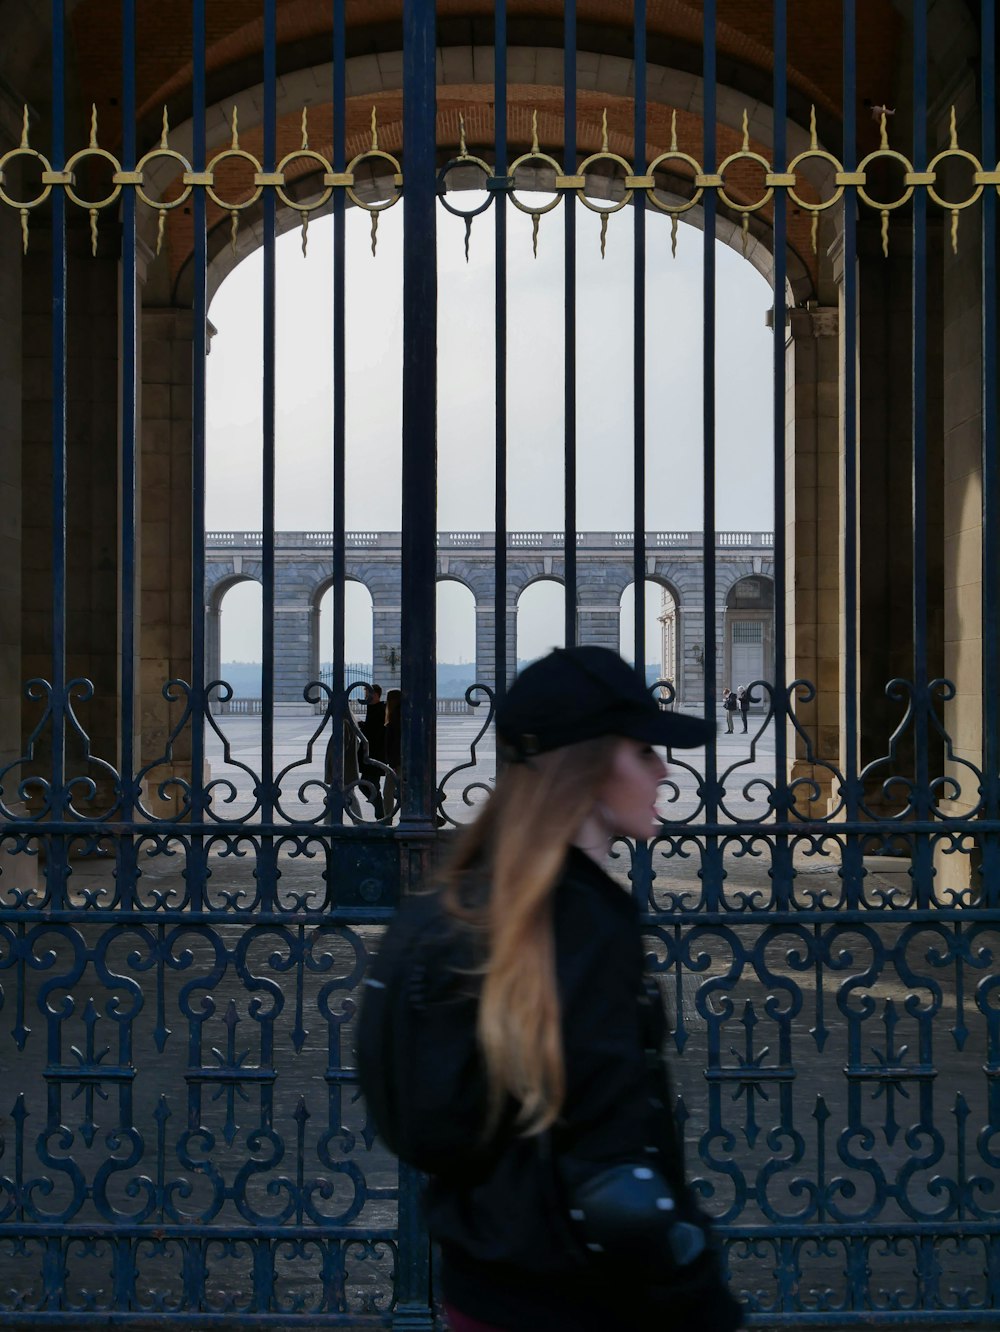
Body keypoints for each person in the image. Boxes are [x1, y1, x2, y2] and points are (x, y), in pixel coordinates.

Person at [414, 647, 744, 1332]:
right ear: (590, 766)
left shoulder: (470, 897)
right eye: (644, 751)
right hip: (575, 1301)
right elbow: (613, 1169)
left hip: (483, 1283)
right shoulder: (582, 922)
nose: (664, 769)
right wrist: (699, 1299)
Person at [359, 684, 386, 818]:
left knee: (368, 785)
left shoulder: (380, 709)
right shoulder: (375, 708)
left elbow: (374, 732)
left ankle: (381, 813)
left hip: (375, 755)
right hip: (371, 754)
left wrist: (361, 726)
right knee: (369, 785)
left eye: (367, 694)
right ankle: (380, 813)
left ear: (375, 694)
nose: (365, 697)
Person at [382, 687, 402, 815]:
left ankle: (387, 819)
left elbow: (395, 743)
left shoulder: (395, 718)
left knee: (388, 792)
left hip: (396, 763)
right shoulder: (401, 716)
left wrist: (393, 764)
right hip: (399, 761)